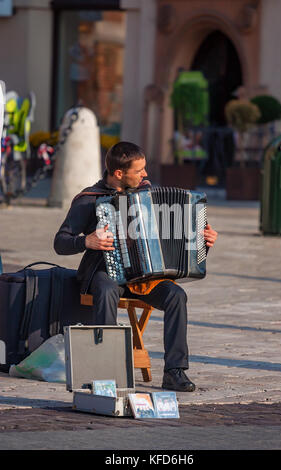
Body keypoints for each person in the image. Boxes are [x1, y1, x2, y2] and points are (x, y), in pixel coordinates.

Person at [54, 141, 218, 392]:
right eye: (139, 170)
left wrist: (203, 242)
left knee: (176, 296)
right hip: (104, 272)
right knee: (107, 290)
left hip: (144, 278)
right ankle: (107, 371)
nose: (145, 175)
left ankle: (175, 371)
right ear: (119, 173)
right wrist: (86, 240)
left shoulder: (147, 194)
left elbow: (173, 241)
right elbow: (60, 242)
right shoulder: (89, 200)